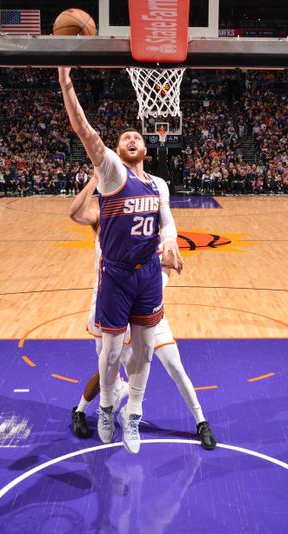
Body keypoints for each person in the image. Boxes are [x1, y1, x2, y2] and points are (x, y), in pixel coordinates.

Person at [59, 66, 183, 454]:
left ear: (147, 148)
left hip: (147, 273)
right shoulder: (111, 172)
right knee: (111, 354)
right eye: (125, 136)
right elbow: (84, 130)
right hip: (114, 276)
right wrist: (66, 83)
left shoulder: (157, 183)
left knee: (144, 351)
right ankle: (105, 408)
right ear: (117, 149)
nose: (132, 138)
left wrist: (172, 241)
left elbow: (167, 220)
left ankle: (133, 414)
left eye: (137, 136)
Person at [68, 178, 217, 450]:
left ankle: (199, 420)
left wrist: (169, 256)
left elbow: (165, 265)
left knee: (174, 365)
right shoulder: (105, 216)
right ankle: (82, 410)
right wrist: (94, 179)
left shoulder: (152, 230)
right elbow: (76, 213)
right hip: (111, 299)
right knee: (108, 368)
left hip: (147, 310)